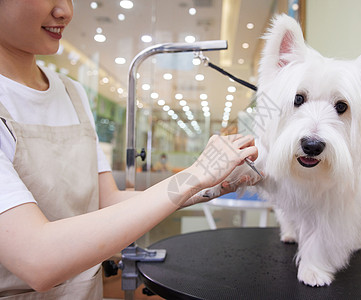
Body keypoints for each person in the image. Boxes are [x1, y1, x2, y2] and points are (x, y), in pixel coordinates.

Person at [0, 1, 259, 299]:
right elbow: (37, 258)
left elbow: (108, 201)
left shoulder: (72, 93)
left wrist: (215, 185)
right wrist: (195, 174)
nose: (65, 12)